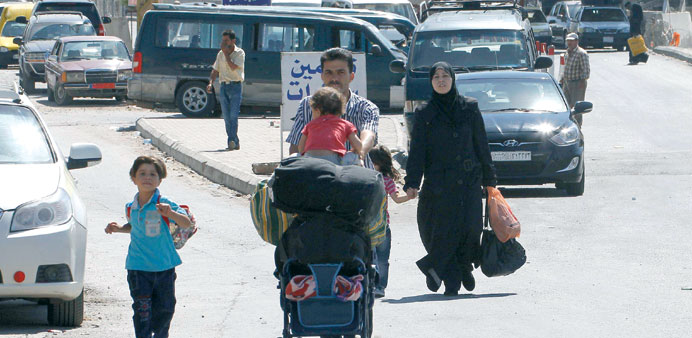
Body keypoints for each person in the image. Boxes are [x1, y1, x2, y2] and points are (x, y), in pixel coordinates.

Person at [403, 62, 497, 296]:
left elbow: (481, 145)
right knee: (442, 231)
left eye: (445, 76)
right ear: (431, 82)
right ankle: (451, 276)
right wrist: (412, 182)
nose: (441, 80)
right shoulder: (424, 113)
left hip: (468, 182)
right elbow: (418, 151)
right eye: (436, 77)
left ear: (453, 79)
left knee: (470, 229)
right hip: (439, 185)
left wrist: (490, 179)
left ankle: (464, 266)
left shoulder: (470, 108)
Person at [105, 156, 192, 338]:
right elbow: (133, 226)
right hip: (138, 269)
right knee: (142, 312)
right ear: (133, 178)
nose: (147, 177)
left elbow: (186, 223)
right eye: (142, 173)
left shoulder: (164, 203)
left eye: (153, 174)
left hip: (164, 268)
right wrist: (119, 228)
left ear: (160, 179)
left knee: (165, 310)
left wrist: (171, 213)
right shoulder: (131, 207)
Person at [286, 48, 379, 168]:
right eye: (329, 72)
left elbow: (369, 136)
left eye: (340, 72)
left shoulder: (367, 108)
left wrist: (358, 155)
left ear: (351, 76)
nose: (334, 78)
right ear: (322, 76)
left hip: (355, 176)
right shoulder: (307, 104)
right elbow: (296, 145)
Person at [368, 145, 412, 298]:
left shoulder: (367, 178)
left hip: (370, 226)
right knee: (382, 260)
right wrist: (410, 197)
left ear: (377, 162)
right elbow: (397, 199)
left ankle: (374, 285)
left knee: (372, 258)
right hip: (383, 225)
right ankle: (380, 286)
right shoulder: (386, 180)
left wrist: (410, 197)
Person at [298, 86, 364, 165]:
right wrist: (354, 151)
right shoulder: (345, 124)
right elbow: (359, 146)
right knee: (355, 157)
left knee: (294, 156)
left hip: (310, 159)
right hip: (333, 160)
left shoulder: (310, 125)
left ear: (317, 111)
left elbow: (301, 147)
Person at [207, 30, 245, 151]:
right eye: (223, 41)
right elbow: (215, 70)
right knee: (226, 117)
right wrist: (210, 83)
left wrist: (227, 54)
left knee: (233, 115)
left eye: (226, 41)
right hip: (224, 86)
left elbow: (234, 67)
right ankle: (234, 140)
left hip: (236, 86)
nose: (224, 43)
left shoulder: (239, 53)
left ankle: (232, 140)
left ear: (233, 41)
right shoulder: (220, 54)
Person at [560, 33, 590, 127]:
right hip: (567, 82)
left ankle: (578, 126)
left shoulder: (581, 53)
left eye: (572, 41)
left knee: (577, 107)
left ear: (576, 41)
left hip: (578, 83)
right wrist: (562, 80)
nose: (569, 43)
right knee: (565, 105)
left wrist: (582, 82)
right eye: (568, 40)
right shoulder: (567, 52)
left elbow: (586, 70)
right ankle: (567, 125)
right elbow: (566, 68)